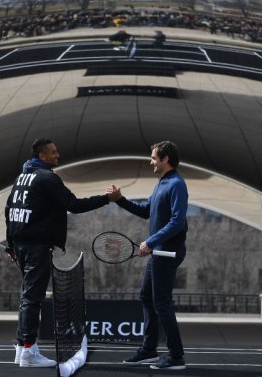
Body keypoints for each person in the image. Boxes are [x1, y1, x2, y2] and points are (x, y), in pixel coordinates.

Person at [5, 138, 111, 368]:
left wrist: (12, 244)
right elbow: (73, 205)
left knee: (27, 296)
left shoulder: (22, 177)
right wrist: (107, 199)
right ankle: (28, 351)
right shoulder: (47, 178)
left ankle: (22, 347)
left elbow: (9, 209)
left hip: (22, 244)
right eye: (53, 152)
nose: (58, 155)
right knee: (32, 298)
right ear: (42, 156)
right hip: (37, 246)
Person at [107, 141, 188, 370]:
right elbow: (145, 211)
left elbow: (177, 222)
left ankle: (176, 356)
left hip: (168, 252)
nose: (150, 161)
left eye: (153, 157)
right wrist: (120, 200)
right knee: (146, 296)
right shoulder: (161, 183)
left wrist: (151, 242)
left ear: (165, 159)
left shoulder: (176, 184)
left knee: (161, 302)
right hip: (159, 251)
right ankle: (149, 350)